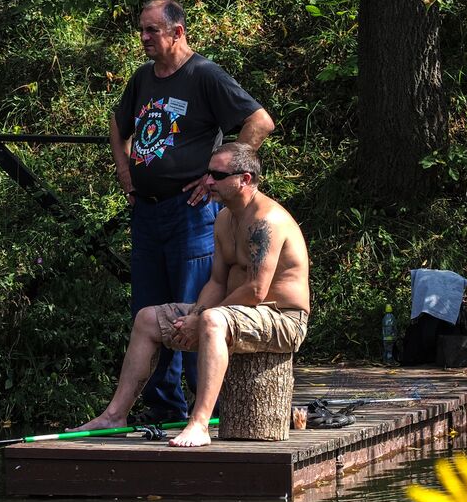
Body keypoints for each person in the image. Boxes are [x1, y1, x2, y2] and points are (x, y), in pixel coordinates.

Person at [71, 143, 309, 448]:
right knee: (148, 319)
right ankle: (115, 416)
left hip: (283, 319)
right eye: (208, 173)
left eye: (217, 175)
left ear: (245, 179)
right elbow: (217, 282)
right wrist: (194, 315)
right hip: (234, 313)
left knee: (212, 320)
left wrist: (202, 319)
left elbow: (255, 290)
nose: (208, 181)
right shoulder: (224, 219)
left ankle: (199, 424)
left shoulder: (267, 221)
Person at [112, 0, 275, 422]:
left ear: (178, 32)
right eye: (142, 30)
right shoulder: (142, 78)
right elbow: (118, 123)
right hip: (146, 214)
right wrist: (126, 173)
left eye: (152, 30)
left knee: (193, 309)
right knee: (149, 310)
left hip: (190, 212)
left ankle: (207, 410)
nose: (144, 37)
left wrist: (217, 175)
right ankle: (164, 409)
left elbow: (259, 121)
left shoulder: (204, 75)